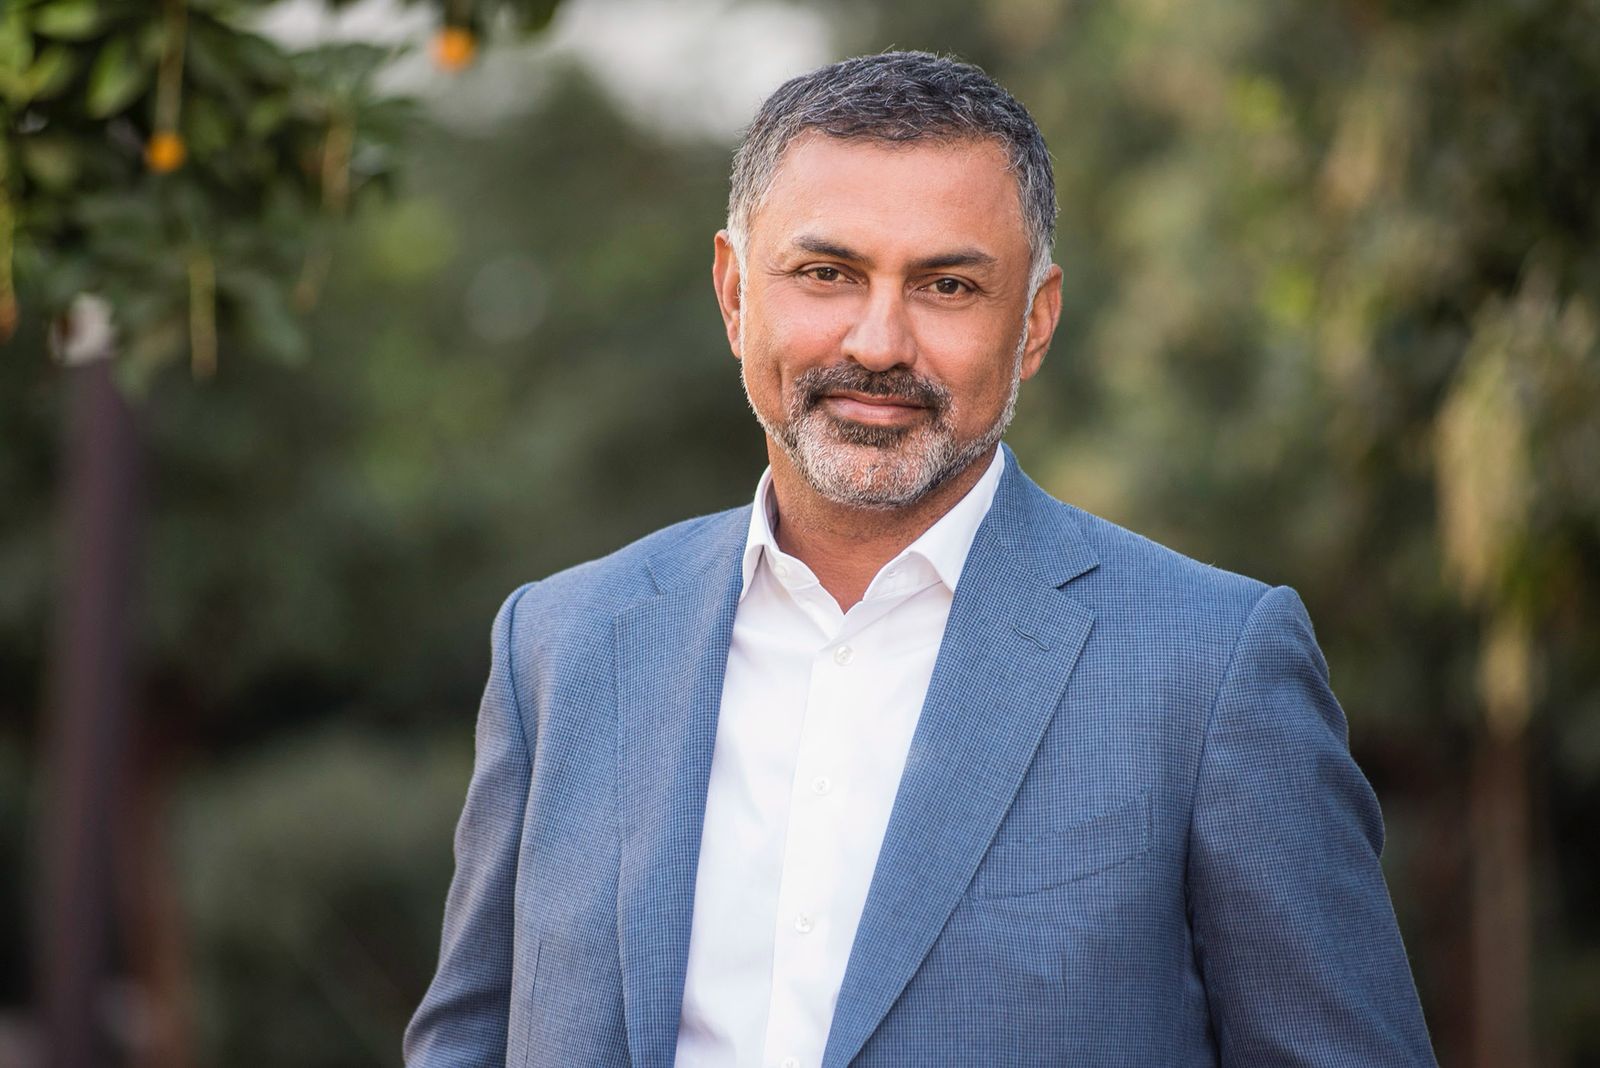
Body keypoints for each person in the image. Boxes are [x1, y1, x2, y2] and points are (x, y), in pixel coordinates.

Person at [404, 51, 1436, 1067]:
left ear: (1034, 324)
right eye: (826, 274)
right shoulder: (561, 645)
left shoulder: (1210, 669)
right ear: (734, 293)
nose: (878, 342)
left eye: (946, 285)